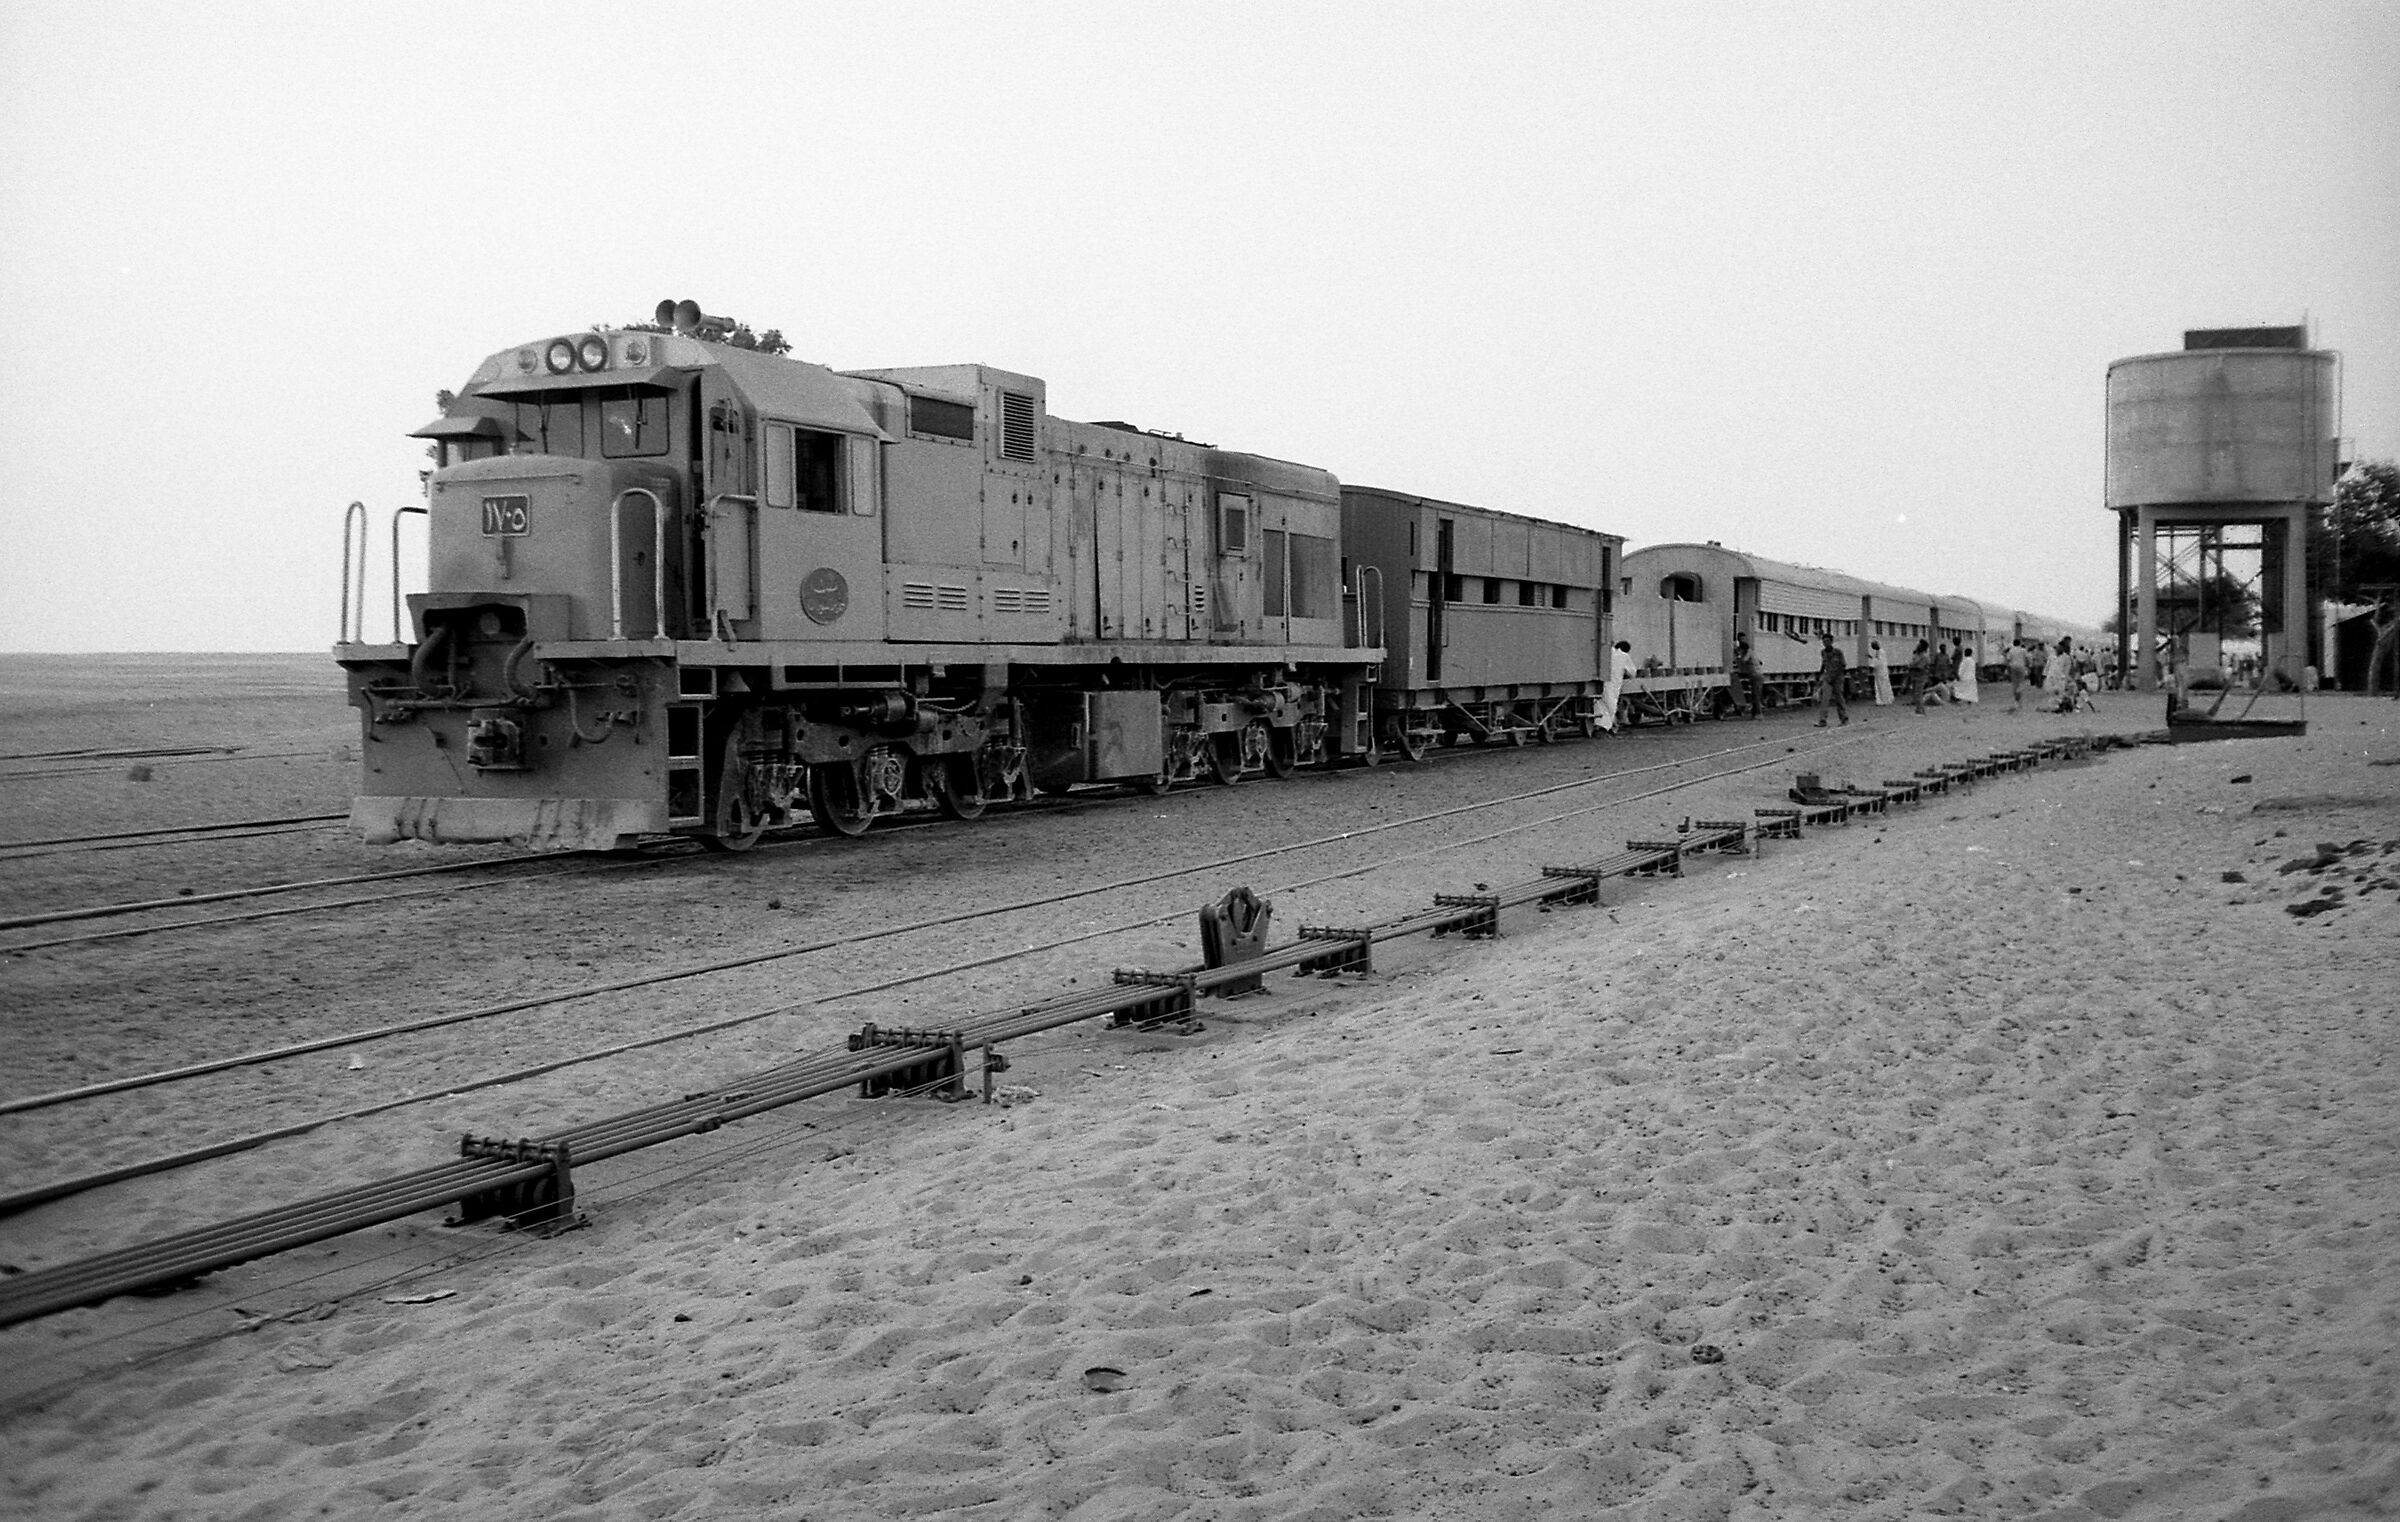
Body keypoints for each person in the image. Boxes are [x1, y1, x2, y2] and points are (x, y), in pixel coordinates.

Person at [1596, 639, 1634, 731]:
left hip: (1599, 683)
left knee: (1600, 704)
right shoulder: (1624, 656)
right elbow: (1632, 673)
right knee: (1611, 706)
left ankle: (1603, 725)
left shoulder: (1606, 653)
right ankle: (1607, 728)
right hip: (1613, 685)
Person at [1813, 631, 1850, 726]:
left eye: (1827, 641)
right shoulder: (1823, 652)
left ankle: (1844, 718)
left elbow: (1843, 665)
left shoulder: (1838, 652)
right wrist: (1819, 674)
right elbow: (1823, 664)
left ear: (1831, 641)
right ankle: (1822, 720)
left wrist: (1836, 676)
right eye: (1824, 641)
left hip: (1838, 678)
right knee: (1824, 699)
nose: (1825, 643)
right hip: (1828, 677)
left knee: (1839, 699)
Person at [1731, 633, 1764, 719]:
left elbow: (1744, 660)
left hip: (1755, 675)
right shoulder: (1752, 652)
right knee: (1755, 695)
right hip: (1758, 674)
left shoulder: (1748, 652)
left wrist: (1738, 655)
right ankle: (1755, 714)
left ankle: (1758, 714)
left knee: (1755, 695)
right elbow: (1760, 662)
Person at [1907, 639, 1934, 713]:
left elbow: (1920, 667)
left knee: (1918, 694)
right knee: (1916, 694)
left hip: (1921, 677)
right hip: (1915, 676)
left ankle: (1920, 710)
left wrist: (1910, 666)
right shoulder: (1917, 655)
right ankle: (1918, 709)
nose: (1917, 646)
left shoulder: (1924, 657)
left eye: (1919, 645)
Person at [2005, 640, 2030, 712]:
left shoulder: (2011, 651)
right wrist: (2028, 666)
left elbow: (2008, 660)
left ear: (2013, 644)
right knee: (2021, 682)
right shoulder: (2023, 650)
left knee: (2014, 683)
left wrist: (2007, 669)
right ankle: (2019, 698)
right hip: (2021, 667)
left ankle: (2016, 700)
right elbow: (2028, 659)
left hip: (2013, 667)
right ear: (2020, 644)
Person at [1868, 639, 1895, 706]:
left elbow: (1878, 662)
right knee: (1882, 685)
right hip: (1881, 671)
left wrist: (1872, 665)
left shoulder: (1879, 652)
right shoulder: (1880, 652)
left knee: (1881, 685)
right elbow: (1878, 660)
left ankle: (1883, 700)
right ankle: (1885, 699)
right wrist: (1871, 657)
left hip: (1880, 672)